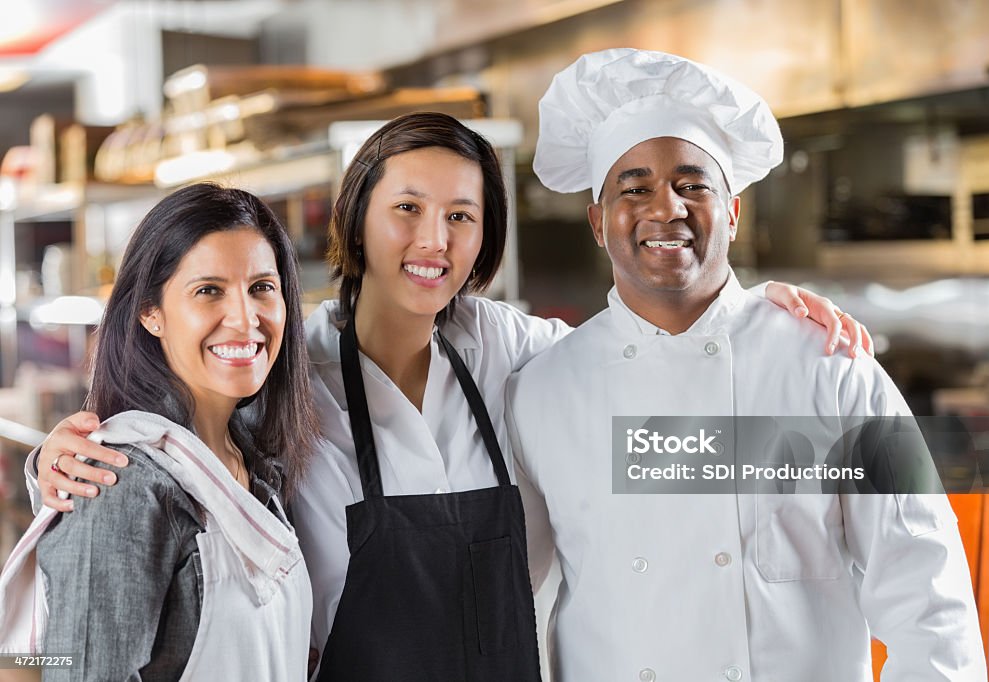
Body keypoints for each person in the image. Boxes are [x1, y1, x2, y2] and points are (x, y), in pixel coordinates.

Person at [25, 114, 870, 680]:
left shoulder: (515, 352)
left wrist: (754, 314)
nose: (434, 241)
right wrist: (58, 459)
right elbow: (169, 464)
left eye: (462, 217)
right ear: (356, 218)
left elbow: (651, 361)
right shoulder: (284, 366)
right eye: (407, 208)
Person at [507, 48, 986, 681]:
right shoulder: (541, 391)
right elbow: (513, 596)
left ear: (733, 212)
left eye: (692, 185)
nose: (666, 209)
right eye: (635, 188)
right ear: (599, 221)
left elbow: (929, 591)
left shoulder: (832, 368)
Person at [0, 184, 317, 680]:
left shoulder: (253, 458)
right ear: (151, 313)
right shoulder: (118, 483)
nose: (245, 318)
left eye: (261, 287)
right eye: (208, 290)